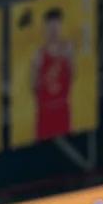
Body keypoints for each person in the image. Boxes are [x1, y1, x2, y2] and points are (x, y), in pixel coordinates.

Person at [31, 8, 74, 140]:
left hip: (62, 110)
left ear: (60, 27)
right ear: (45, 28)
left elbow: (72, 75)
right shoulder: (39, 54)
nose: (54, 30)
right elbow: (33, 85)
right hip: (45, 112)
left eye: (56, 26)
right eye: (51, 27)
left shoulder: (68, 49)